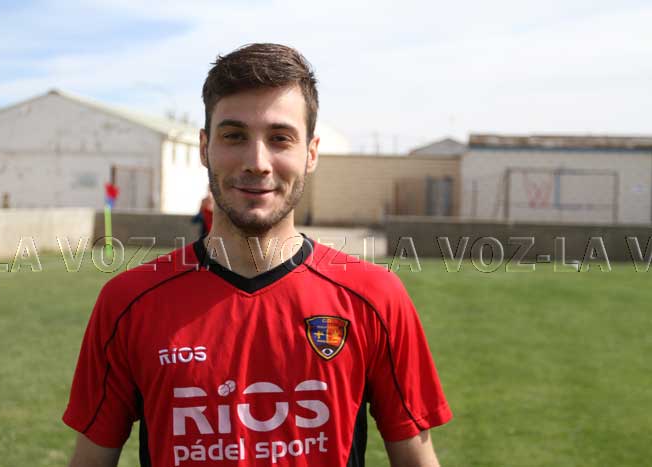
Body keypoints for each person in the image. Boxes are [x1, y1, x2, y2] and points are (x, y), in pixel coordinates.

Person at [63, 43, 452, 467]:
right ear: (204, 147)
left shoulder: (375, 297)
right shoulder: (127, 303)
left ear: (311, 153)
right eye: (234, 136)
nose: (257, 162)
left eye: (280, 138)